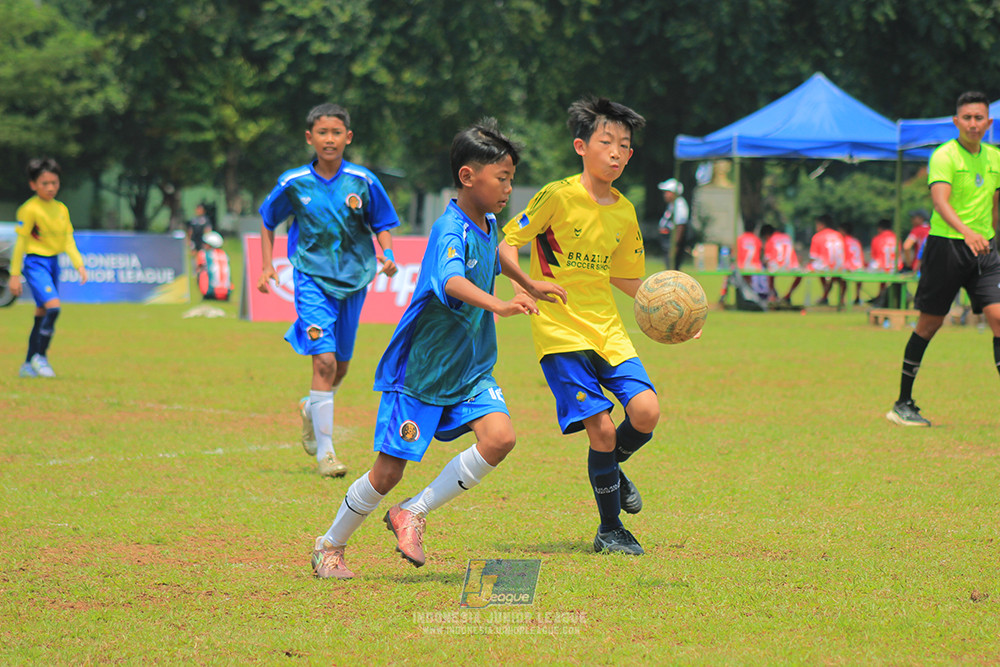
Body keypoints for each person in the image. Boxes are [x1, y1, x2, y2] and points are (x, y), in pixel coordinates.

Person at [309, 119, 566, 579]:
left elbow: (501, 249)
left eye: (511, 177)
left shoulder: (486, 219)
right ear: (469, 177)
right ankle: (330, 545)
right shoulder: (449, 228)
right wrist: (501, 305)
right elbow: (451, 280)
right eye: (502, 178)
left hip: (468, 370)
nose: (509, 187)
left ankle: (414, 512)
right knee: (388, 473)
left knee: (500, 437)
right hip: (421, 375)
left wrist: (529, 281)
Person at [500, 97, 667, 556]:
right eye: (606, 142)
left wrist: (673, 313)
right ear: (581, 146)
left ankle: (611, 469)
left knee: (647, 412)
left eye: (624, 146)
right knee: (603, 429)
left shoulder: (625, 211)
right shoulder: (557, 195)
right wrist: (526, 283)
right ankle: (610, 529)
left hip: (608, 329)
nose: (615, 152)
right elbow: (508, 243)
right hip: (559, 331)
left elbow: (626, 277)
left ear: (630, 157)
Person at [258, 103, 400, 477]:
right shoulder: (293, 183)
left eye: (337, 132)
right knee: (323, 362)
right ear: (310, 138)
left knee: (341, 367)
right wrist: (266, 264)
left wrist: (387, 253)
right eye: (322, 133)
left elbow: (382, 222)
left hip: (354, 280)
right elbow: (267, 220)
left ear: (348, 138)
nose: (330, 139)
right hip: (311, 279)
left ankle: (310, 407)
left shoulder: (363, 181)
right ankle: (327, 455)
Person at [887, 91, 1000, 427]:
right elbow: (940, 202)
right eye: (967, 117)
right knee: (929, 324)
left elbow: (995, 206)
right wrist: (967, 231)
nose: (973, 124)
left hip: (985, 250)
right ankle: (903, 403)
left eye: (979, 118)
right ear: (956, 122)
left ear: (988, 122)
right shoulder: (944, 155)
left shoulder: (995, 157)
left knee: (999, 319)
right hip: (947, 248)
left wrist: (991, 238)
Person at [9, 158, 87, 378]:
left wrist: (79, 264)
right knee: (53, 308)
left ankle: (27, 364)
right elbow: (21, 243)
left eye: (54, 182)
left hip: (53, 263)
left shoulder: (61, 209)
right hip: (35, 263)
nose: (51, 187)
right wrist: (15, 275)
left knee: (41, 312)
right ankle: (40, 357)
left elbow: (68, 240)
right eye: (45, 183)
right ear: (33, 185)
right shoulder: (29, 209)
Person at [720, 219, 766, 303]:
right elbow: (760, 256)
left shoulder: (739, 239)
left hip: (741, 267)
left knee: (728, 275)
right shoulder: (757, 240)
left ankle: (723, 296)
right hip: (754, 269)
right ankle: (762, 297)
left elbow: (734, 255)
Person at [809, 214, 845, 306]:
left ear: (821, 224)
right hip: (840, 266)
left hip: (825, 267)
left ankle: (825, 296)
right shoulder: (839, 235)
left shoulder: (818, 236)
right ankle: (841, 299)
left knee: (817, 269)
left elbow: (813, 257)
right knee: (839, 278)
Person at [761, 223, 801, 305]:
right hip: (792, 266)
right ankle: (787, 296)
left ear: (766, 234)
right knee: (799, 275)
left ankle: (773, 296)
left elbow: (767, 259)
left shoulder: (770, 240)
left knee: (768, 272)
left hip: (776, 266)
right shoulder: (787, 237)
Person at [656, 178, 689, 270]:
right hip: (667, 240)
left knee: (672, 268)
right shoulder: (672, 204)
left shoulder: (680, 205)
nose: (665, 195)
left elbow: (680, 226)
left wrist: (674, 245)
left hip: (672, 241)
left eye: (667, 192)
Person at [868, 218, 899, 306]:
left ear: (879, 228)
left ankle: (881, 296)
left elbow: (874, 256)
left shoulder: (877, 239)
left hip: (881, 267)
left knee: (874, 267)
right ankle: (884, 296)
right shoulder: (896, 238)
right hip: (895, 267)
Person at [196, 231, 232, 301]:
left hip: (211, 293)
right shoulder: (224, 254)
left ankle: (205, 293)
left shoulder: (203, 254)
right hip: (226, 293)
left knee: (201, 272)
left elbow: (198, 269)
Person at [839, 222, 865, 305]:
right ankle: (857, 296)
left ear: (843, 231)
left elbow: (844, 257)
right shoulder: (856, 241)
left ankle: (842, 299)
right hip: (859, 267)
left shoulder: (843, 241)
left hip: (849, 267)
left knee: (842, 279)